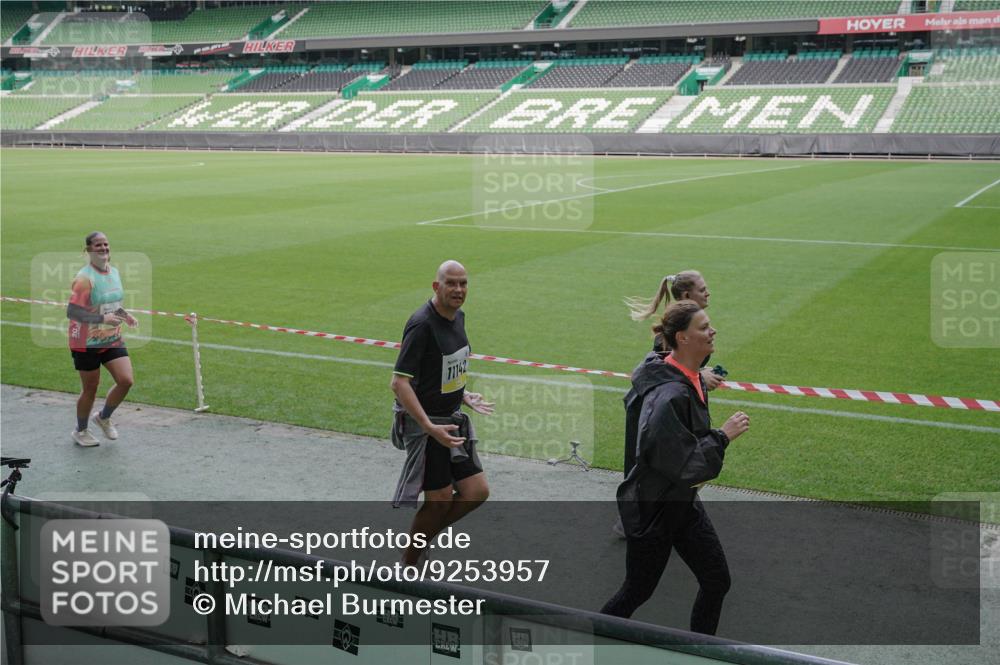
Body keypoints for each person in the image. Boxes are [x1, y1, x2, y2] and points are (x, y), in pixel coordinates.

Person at [601, 300, 750, 635]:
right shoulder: (670, 395)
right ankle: (592, 639)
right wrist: (722, 436)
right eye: (704, 327)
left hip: (680, 503)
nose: (713, 331)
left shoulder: (689, 377)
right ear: (682, 338)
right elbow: (682, 464)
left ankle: (698, 652)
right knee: (637, 591)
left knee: (716, 580)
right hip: (655, 511)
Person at [390, 260, 494, 566]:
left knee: (476, 492)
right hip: (429, 426)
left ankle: (418, 542)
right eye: (451, 283)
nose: (458, 289)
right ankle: (408, 566)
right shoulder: (422, 324)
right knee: (439, 501)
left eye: (463, 283)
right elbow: (399, 383)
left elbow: (444, 368)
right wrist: (428, 426)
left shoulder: (458, 317)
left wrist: (463, 395)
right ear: (437, 286)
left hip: (450, 422)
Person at [66, 232, 137, 447]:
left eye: (106, 244)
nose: (103, 248)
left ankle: (103, 417)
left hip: (111, 338)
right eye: (98, 245)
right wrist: (102, 319)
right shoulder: (84, 279)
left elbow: (112, 303)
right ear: (88, 249)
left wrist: (125, 315)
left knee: (126, 380)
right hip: (85, 342)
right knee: (91, 388)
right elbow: (72, 312)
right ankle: (80, 430)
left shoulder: (114, 272)